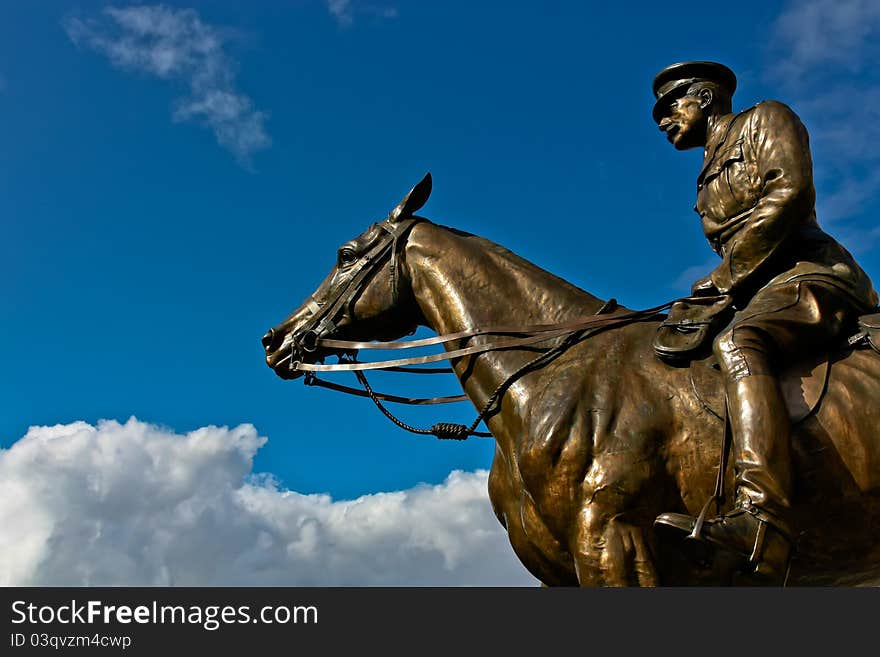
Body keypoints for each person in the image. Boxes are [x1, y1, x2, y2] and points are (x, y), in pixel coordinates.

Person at [650, 61, 879, 580]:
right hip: (756, 287)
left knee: (740, 342)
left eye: (670, 108)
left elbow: (789, 193)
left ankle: (760, 517)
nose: (663, 122)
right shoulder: (707, 169)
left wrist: (724, 277)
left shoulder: (766, 119)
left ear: (703, 98)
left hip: (813, 275)